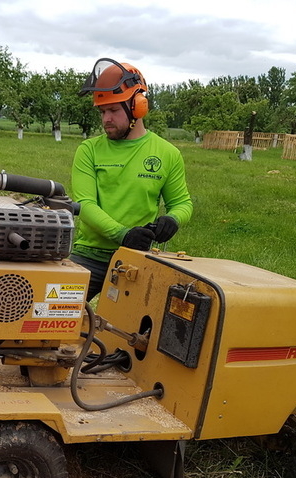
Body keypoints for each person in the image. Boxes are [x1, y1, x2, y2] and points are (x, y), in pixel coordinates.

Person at [71, 58, 193, 300]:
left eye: (114, 110)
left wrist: (173, 219)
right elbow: (84, 204)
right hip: (89, 255)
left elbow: (182, 203)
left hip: (134, 261)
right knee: (50, 317)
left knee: (137, 331)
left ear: (138, 106)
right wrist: (123, 234)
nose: (106, 119)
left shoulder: (167, 153)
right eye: (103, 111)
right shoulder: (89, 150)